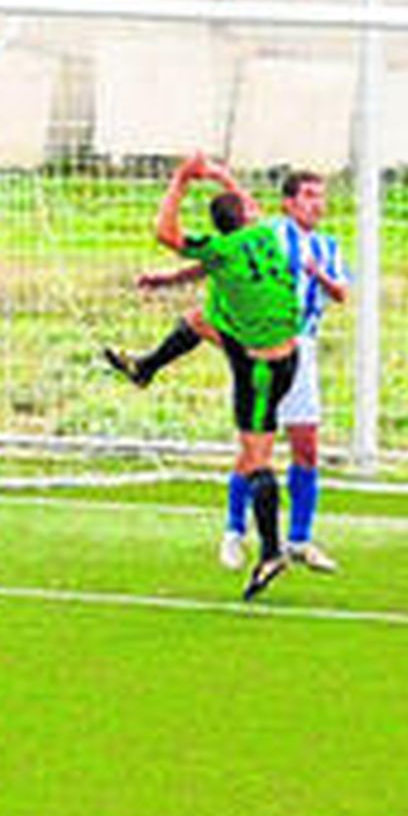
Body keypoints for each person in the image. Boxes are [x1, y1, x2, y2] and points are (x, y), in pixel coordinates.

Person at [107, 171, 348, 575]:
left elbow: (339, 292)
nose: (317, 204)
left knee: (296, 447)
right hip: (270, 344)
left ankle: (296, 542)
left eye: (321, 196)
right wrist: (168, 278)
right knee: (253, 446)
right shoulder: (268, 231)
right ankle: (235, 531)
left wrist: (189, 177)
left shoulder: (325, 246)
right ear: (286, 203)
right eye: (308, 195)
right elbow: (216, 258)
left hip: (291, 345)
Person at [150, 152, 301, 601]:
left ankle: (272, 551)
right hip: (286, 356)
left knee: (256, 461)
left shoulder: (223, 249)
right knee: (201, 319)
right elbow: (247, 204)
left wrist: (180, 180)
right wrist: (219, 174)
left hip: (261, 370)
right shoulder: (265, 235)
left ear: (218, 227)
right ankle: (145, 367)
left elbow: (165, 233)